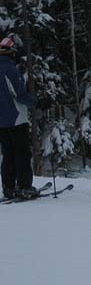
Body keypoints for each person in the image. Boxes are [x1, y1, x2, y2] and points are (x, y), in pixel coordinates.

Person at [0, 37, 38, 200]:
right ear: (11, 52)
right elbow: (19, 95)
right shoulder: (10, 70)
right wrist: (37, 102)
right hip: (16, 118)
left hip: (2, 121)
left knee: (7, 154)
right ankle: (24, 187)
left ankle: (8, 187)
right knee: (22, 154)